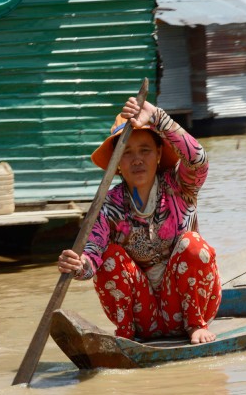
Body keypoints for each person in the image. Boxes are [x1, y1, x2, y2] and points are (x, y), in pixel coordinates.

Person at [58, 97, 222, 344]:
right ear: (117, 164)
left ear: (158, 154)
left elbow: (198, 160)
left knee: (193, 244)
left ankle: (196, 325)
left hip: (189, 309)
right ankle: (127, 334)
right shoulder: (107, 205)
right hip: (142, 319)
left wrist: (158, 117)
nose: (137, 159)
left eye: (144, 150)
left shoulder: (179, 186)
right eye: (127, 153)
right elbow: (93, 256)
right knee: (110, 256)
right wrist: (77, 265)